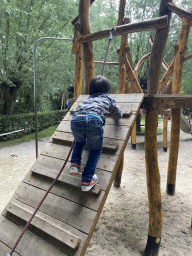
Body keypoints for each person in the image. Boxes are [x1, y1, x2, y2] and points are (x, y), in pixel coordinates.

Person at [69, 75, 123, 192]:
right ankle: (87, 180)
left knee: (79, 141)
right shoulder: (108, 98)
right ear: (107, 89)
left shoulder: (87, 99)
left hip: (75, 120)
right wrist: (119, 108)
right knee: (95, 150)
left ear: (90, 90)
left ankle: (74, 165)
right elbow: (117, 114)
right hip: (93, 121)